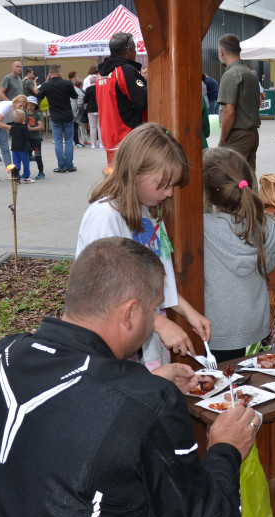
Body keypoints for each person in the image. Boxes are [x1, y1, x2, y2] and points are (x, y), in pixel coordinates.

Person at [0, 236, 262, 517]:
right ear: (129, 313)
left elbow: (73, 413)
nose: (154, 323)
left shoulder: (2, 357)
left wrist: (146, 382)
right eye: (153, 310)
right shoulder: (146, 400)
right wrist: (225, 449)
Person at [76, 123, 210, 366]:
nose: (169, 193)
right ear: (135, 172)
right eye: (163, 184)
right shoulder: (105, 216)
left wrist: (188, 312)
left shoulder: (149, 212)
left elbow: (160, 277)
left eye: (172, 185)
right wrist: (158, 323)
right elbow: (110, 290)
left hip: (144, 328)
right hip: (114, 338)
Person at [202, 148, 275, 362]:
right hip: (255, 327)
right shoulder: (267, 224)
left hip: (215, 331)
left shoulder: (201, 229)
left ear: (207, 193)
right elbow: (271, 264)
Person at [97, 32, 148, 164]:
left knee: (117, 178)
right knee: (131, 179)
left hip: (109, 135)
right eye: (135, 49)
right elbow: (143, 101)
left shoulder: (101, 73)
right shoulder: (125, 71)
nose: (136, 53)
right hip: (127, 136)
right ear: (129, 50)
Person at [216, 34, 262, 174]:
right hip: (252, 134)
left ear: (221, 52)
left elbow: (229, 112)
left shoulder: (231, 75)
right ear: (239, 50)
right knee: (248, 179)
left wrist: (223, 140)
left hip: (237, 136)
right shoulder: (250, 74)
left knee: (229, 180)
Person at [36, 64, 78, 173]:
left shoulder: (46, 85)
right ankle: (70, 165)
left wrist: (45, 82)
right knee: (69, 141)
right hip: (68, 115)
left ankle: (61, 166)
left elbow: (39, 96)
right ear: (59, 72)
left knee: (58, 141)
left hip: (55, 116)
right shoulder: (67, 83)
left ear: (49, 74)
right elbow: (75, 96)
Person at [9, 109, 34, 183]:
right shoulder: (24, 127)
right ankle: (26, 177)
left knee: (16, 163)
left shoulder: (12, 126)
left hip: (14, 148)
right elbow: (27, 136)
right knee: (26, 162)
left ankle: (16, 177)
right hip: (23, 148)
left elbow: (11, 135)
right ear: (22, 119)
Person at [24, 95, 45, 179]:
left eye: (31, 105)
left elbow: (40, 127)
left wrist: (31, 129)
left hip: (36, 139)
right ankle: (26, 172)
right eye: (28, 105)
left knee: (37, 155)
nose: (29, 107)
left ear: (35, 105)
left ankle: (41, 171)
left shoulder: (37, 115)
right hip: (27, 139)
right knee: (26, 156)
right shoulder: (25, 114)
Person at [84, 64, 101, 148]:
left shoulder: (88, 89)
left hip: (90, 109)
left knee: (93, 127)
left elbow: (85, 100)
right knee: (99, 127)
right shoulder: (100, 88)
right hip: (100, 109)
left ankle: (93, 144)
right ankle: (102, 143)